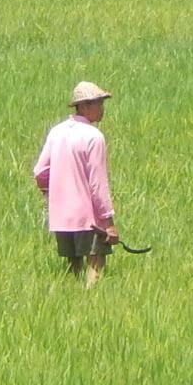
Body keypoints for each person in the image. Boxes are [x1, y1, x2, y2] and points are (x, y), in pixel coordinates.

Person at [34, 81, 117, 284]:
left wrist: (52, 193)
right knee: (95, 263)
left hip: (61, 215)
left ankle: (72, 301)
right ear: (84, 106)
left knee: (73, 268)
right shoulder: (94, 137)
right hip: (87, 216)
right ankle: (91, 304)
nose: (101, 109)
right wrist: (108, 223)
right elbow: (98, 184)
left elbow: (40, 172)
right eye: (98, 103)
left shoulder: (56, 132)